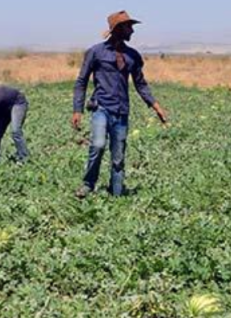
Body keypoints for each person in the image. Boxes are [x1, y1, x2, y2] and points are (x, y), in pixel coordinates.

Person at [72, 10, 168, 198]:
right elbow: (81, 81)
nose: (132, 30)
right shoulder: (95, 52)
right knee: (98, 145)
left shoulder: (132, 55)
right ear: (118, 29)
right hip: (101, 108)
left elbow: (140, 84)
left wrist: (156, 106)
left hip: (121, 112)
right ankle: (88, 185)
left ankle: (116, 194)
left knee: (118, 158)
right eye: (128, 26)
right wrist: (77, 110)